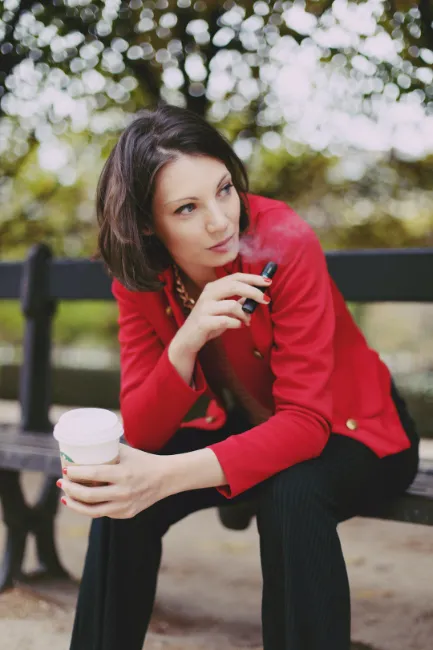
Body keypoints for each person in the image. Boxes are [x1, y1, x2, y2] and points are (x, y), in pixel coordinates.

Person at [60, 103, 419, 650]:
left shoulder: (285, 241)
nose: (220, 220)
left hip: (354, 428)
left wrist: (164, 476)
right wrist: (187, 339)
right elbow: (145, 429)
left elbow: (304, 425)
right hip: (240, 423)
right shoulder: (139, 275)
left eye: (224, 189)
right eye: (186, 208)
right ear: (145, 226)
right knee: (120, 487)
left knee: (290, 492)